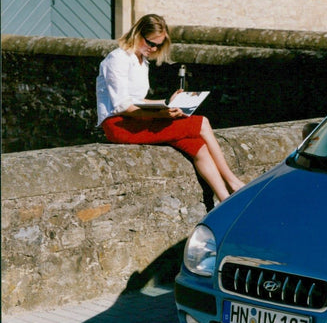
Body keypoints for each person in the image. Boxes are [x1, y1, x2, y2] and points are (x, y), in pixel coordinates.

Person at [96, 14, 245, 203]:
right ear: (137, 33)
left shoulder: (142, 61)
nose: (153, 48)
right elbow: (122, 106)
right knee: (202, 123)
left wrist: (166, 103)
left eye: (158, 45)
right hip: (119, 124)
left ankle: (224, 198)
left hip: (136, 118)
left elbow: (138, 100)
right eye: (150, 43)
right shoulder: (117, 59)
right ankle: (233, 182)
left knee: (197, 146)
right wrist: (160, 114)